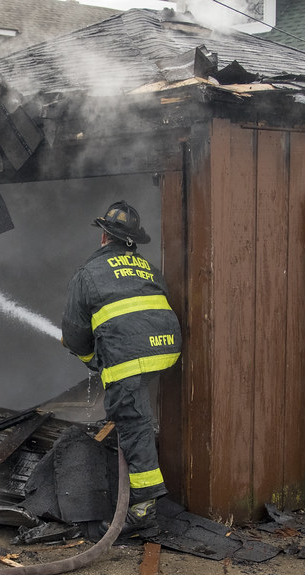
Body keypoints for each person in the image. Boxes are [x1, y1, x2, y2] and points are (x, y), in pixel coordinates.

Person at [61, 200, 181, 539]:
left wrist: (93, 361)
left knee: (133, 423)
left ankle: (142, 512)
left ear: (103, 237)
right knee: (138, 410)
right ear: (132, 241)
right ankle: (142, 437)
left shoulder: (88, 273)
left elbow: (73, 336)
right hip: (168, 347)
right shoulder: (147, 267)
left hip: (131, 355)